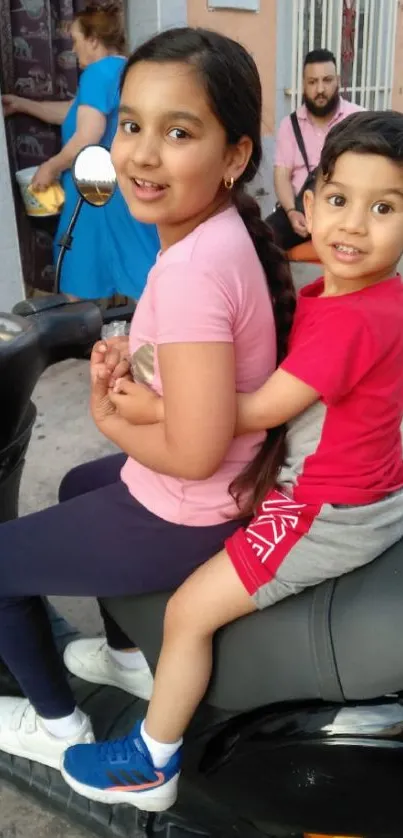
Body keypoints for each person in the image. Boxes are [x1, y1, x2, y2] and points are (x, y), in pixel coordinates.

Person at [61, 109, 403, 813]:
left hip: (321, 512)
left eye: (383, 208)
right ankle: (131, 662)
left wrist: (154, 409)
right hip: (361, 489)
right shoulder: (367, 291)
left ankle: (150, 763)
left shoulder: (354, 319)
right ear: (307, 206)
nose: (353, 226)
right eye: (339, 201)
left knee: (188, 612)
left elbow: (252, 411)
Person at [0, 27, 295, 770]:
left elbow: (193, 453)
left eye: (179, 131)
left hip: (191, 506)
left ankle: (60, 724)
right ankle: (129, 657)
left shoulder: (194, 268)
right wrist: (136, 362)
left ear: (234, 155)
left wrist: (109, 416)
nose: (140, 152)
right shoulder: (216, 237)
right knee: (75, 481)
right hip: (222, 487)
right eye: (131, 124)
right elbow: (204, 367)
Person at [2, 2, 159, 300]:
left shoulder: (97, 73)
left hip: (94, 190)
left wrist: (51, 166)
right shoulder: (127, 70)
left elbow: (88, 133)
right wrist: (22, 104)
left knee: (74, 262)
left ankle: (74, 339)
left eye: (75, 41)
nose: (73, 50)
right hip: (123, 187)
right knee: (140, 264)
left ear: (93, 40)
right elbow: (74, 112)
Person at [268, 48, 362, 249]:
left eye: (327, 80)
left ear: (337, 80)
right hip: (301, 210)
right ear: (304, 84)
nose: (320, 89)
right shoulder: (289, 125)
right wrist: (292, 212)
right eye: (312, 82)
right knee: (262, 242)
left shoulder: (359, 119)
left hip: (344, 213)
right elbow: (281, 175)